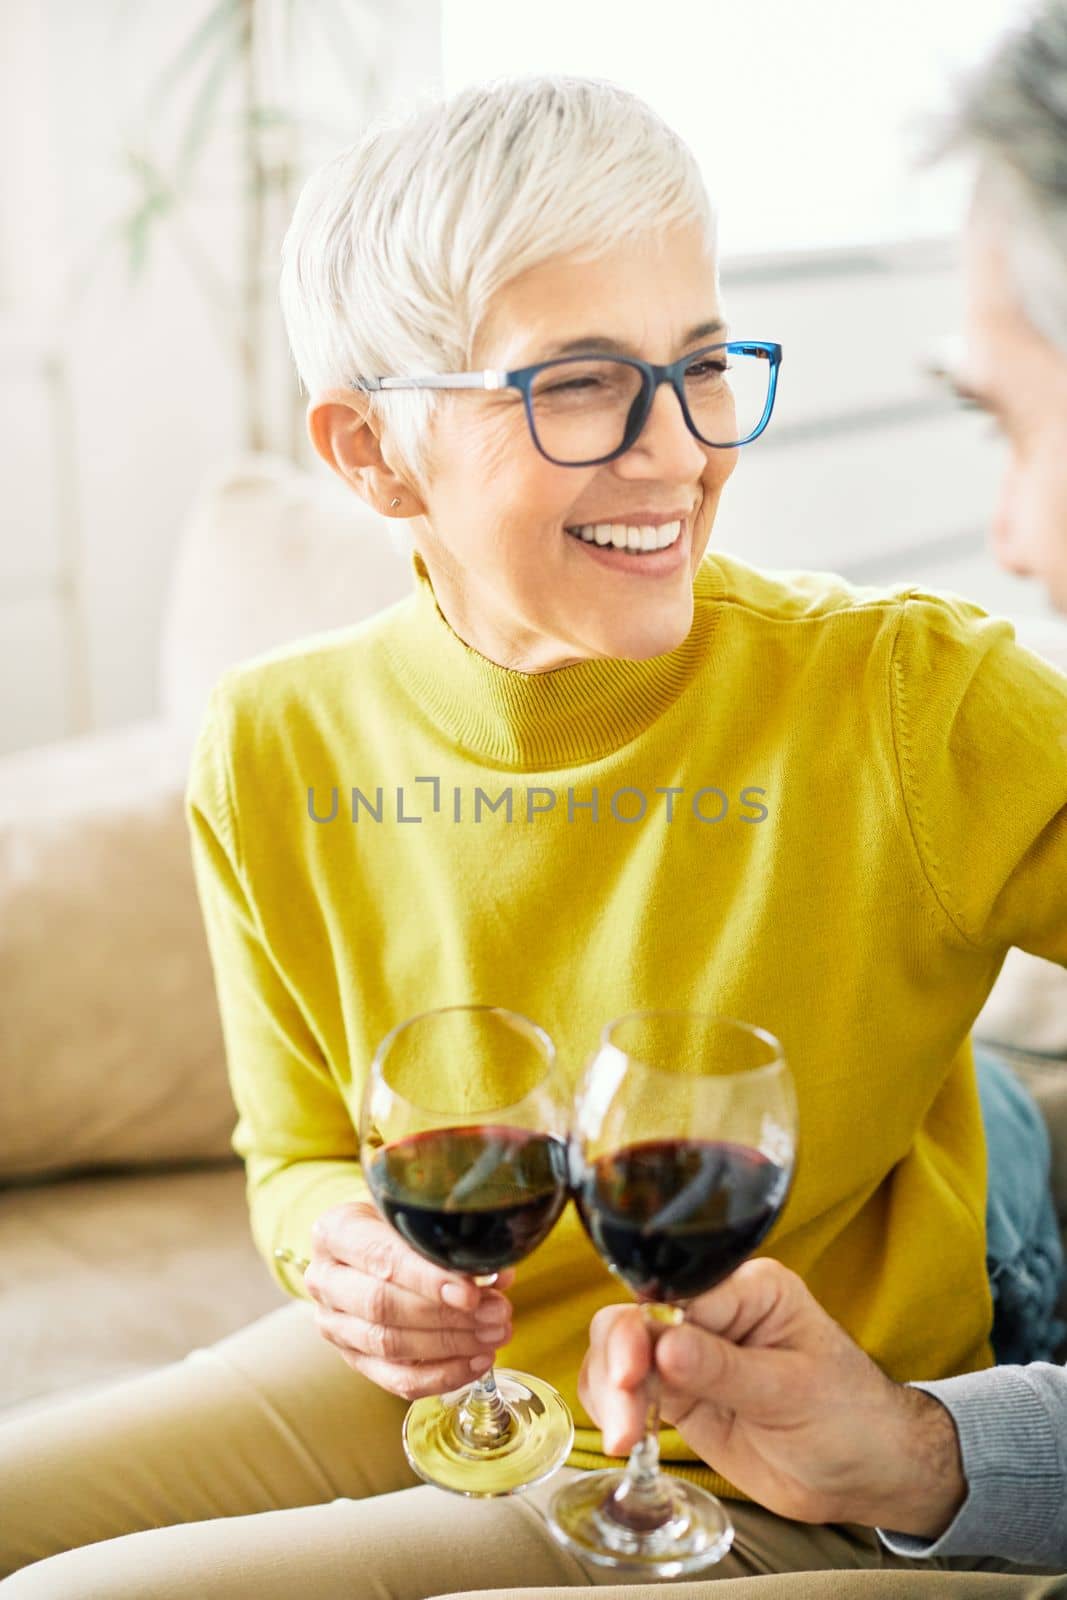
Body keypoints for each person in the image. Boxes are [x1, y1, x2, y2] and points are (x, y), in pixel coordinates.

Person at [1, 53, 1066, 1600]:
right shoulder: (273, 743)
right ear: (373, 453)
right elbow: (299, 1153)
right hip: (455, 1393)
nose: (679, 449)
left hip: (758, 1448)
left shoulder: (912, 699)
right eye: (577, 384)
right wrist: (345, 1265)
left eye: (700, 363)